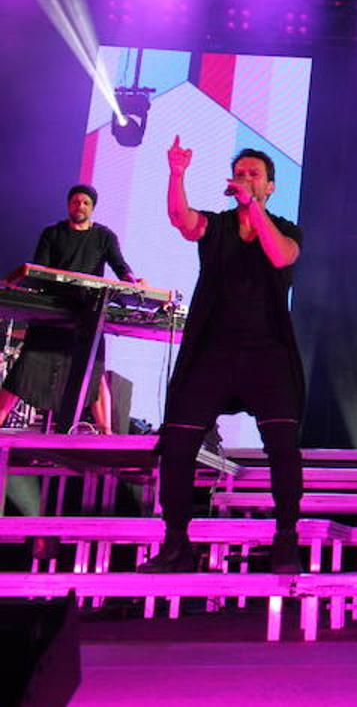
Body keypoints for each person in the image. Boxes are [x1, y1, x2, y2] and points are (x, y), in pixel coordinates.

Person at [138, 138, 305, 574]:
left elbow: (278, 255)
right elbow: (182, 219)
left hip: (267, 354)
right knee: (177, 443)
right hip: (212, 351)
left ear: (270, 186)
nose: (246, 179)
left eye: (255, 174)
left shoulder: (286, 228)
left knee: (284, 446)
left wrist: (254, 210)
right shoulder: (217, 227)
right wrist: (177, 174)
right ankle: (177, 544)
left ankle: (286, 537)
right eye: (241, 173)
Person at [0, 184, 138, 434]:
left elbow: (121, 266)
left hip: (88, 311)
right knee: (27, 365)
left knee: (94, 370)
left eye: (85, 203)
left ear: (92, 207)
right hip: (52, 310)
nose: (80, 206)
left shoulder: (104, 237)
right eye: (75, 202)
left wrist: (133, 281)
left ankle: (105, 434)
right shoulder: (52, 233)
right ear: (68, 205)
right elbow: (39, 269)